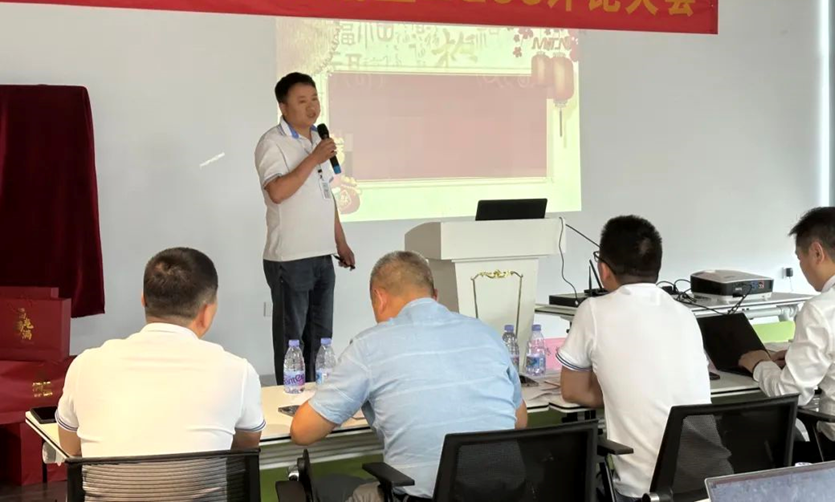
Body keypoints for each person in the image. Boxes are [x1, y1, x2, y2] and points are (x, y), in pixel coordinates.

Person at [290, 251, 528, 502]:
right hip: (504, 495)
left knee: (326, 486)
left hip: (420, 499)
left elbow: (303, 432)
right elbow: (519, 420)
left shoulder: (369, 346)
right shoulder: (486, 334)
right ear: (435, 296)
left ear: (379, 297)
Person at [557, 216, 712, 502]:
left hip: (645, 491)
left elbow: (572, 390)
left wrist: (622, 392)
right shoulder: (684, 314)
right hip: (708, 484)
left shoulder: (593, 311)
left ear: (603, 269)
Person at [55, 247, 265, 458]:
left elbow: (70, 449)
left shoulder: (85, 365)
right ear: (206, 312)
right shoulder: (239, 372)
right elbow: (246, 448)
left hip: (105, 482)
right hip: (205, 482)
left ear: (143, 300)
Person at [739, 206, 835, 461]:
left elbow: (791, 394)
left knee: (751, 435)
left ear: (817, 252)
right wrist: (799, 355)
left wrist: (760, 364)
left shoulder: (822, 309)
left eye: (800, 258)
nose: (802, 268)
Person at [255, 72, 356, 385]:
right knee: (292, 341)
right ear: (283, 107)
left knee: (321, 338)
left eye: (314, 99)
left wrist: (341, 242)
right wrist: (313, 158)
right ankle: (291, 401)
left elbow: (326, 196)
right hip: (290, 257)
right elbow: (277, 192)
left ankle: (319, 400)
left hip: (322, 254)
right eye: (302, 101)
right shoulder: (272, 143)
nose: (312, 107)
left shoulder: (317, 140)